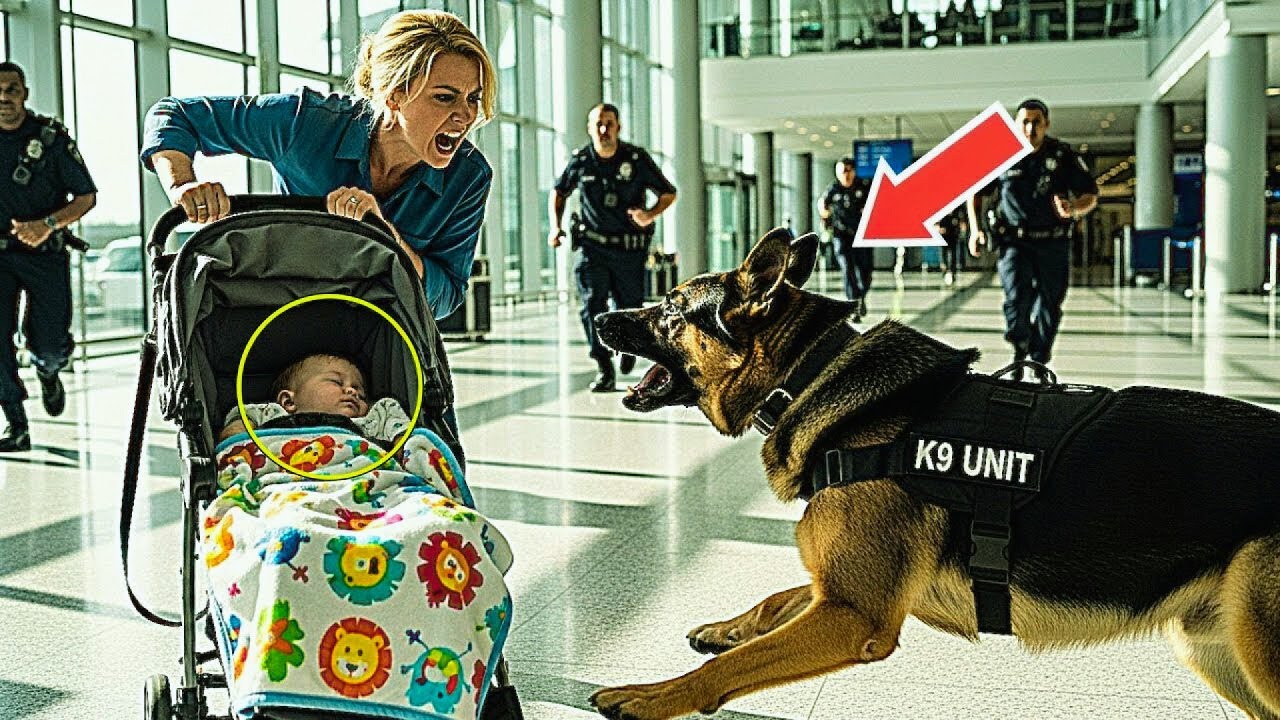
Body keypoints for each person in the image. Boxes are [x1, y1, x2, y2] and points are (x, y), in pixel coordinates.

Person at [141, 9, 496, 440]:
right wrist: (182, 184)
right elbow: (175, 114)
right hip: (275, 317)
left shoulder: (468, 177)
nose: (465, 116)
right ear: (395, 94)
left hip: (374, 339)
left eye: (473, 98)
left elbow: (444, 295)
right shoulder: (304, 123)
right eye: (445, 97)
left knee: (432, 445)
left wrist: (386, 236)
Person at [0, 62, 97, 452]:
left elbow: (86, 197)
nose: (3, 98)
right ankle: (16, 423)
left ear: (24, 93)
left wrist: (47, 225)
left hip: (45, 254)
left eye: (11, 89)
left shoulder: (50, 139)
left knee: (50, 342)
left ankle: (48, 369)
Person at [548, 103, 677, 392]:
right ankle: (604, 366)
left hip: (628, 250)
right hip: (592, 247)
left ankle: (627, 348)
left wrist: (649, 215)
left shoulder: (636, 159)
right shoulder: (581, 160)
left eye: (609, 123)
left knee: (629, 306)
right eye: (598, 124)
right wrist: (555, 227)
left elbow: (668, 193)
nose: (604, 129)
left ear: (618, 127)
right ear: (590, 128)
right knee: (592, 306)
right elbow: (559, 192)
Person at [967, 98, 1097, 375]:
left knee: (1050, 303)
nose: (1030, 128)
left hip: (1053, 241)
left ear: (1046, 124)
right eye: (1025, 122)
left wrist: (1074, 208)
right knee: (1016, 298)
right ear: (1015, 124)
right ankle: (1020, 346)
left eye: (1036, 122)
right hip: (1015, 243)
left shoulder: (1062, 156)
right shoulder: (1001, 155)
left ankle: (1038, 359)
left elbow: (1090, 195)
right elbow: (974, 191)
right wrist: (975, 230)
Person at [219, 353, 409, 443]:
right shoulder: (273, 414)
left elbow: (408, 443)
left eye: (360, 393)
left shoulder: (373, 421)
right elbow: (236, 433)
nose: (352, 391)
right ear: (289, 402)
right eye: (336, 382)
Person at [818, 157, 873, 320]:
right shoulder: (833, 189)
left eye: (848, 171)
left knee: (865, 272)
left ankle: (861, 296)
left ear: (853, 172)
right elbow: (823, 204)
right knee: (847, 268)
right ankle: (853, 304)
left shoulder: (864, 187)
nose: (845, 175)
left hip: (862, 235)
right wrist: (824, 213)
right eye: (842, 172)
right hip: (841, 235)